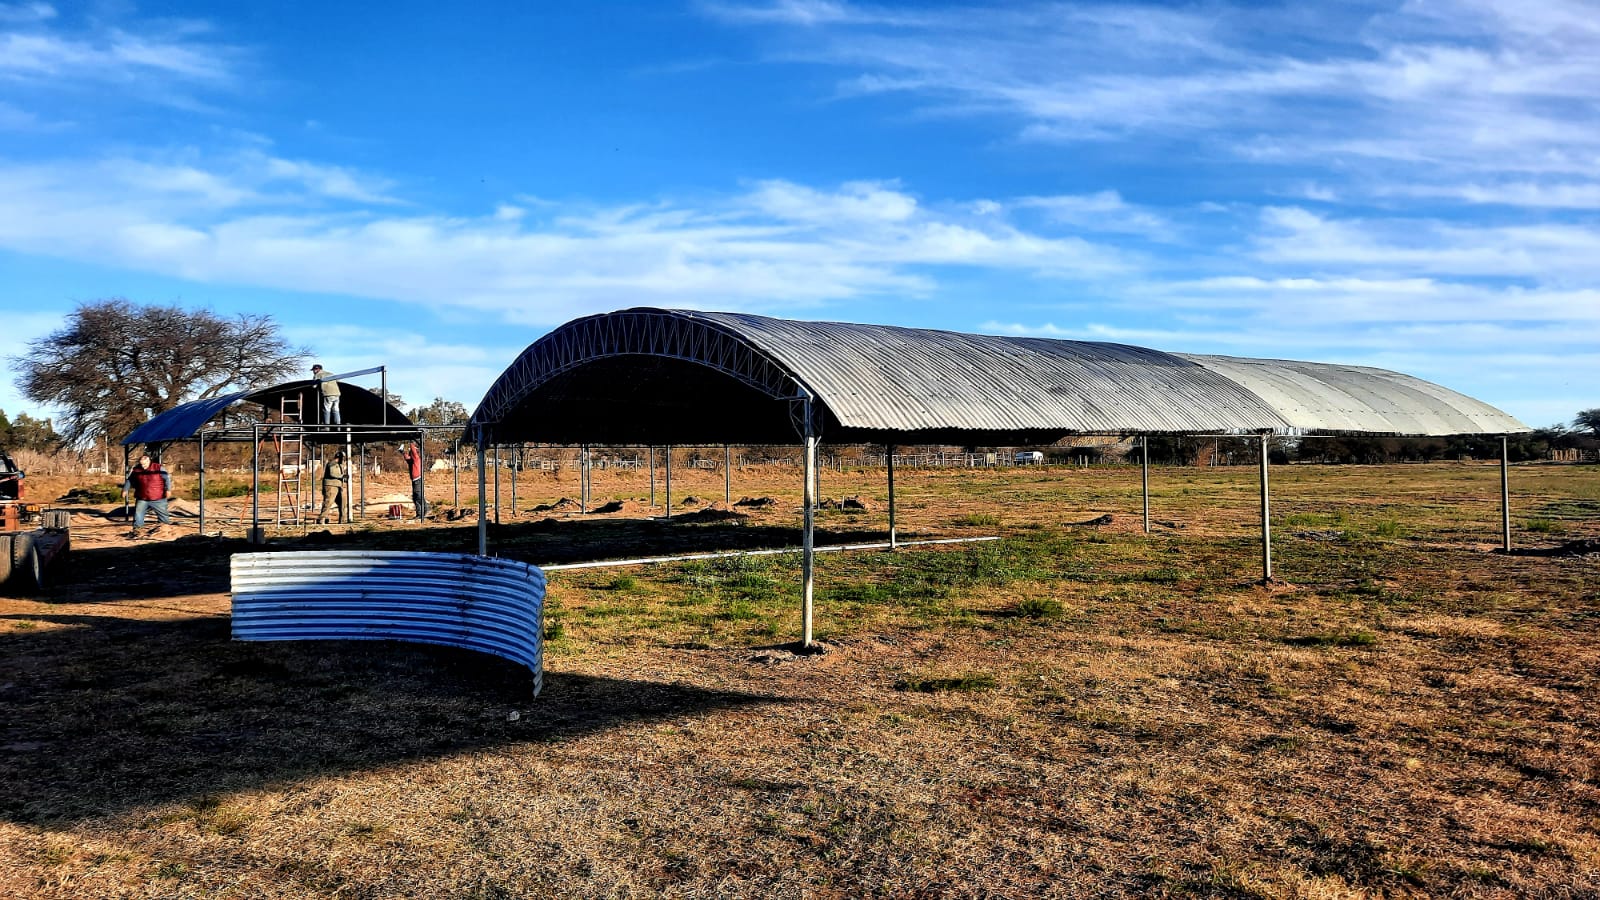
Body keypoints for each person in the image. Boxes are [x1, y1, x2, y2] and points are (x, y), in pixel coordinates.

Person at [123, 453, 172, 537]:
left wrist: (168, 490)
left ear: (149, 461)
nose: (143, 466)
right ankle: (137, 530)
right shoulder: (136, 470)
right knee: (138, 513)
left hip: (158, 497)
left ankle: (164, 529)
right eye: (141, 464)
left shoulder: (158, 468)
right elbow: (130, 480)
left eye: (144, 464)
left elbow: (167, 479)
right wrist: (125, 489)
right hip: (142, 497)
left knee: (163, 514)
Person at [318, 450, 348, 524]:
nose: (344, 460)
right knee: (328, 502)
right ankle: (322, 519)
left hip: (338, 486)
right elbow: (332, 473)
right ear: (339, 457)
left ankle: (342, 520)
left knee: (343, 503)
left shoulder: (340, 465)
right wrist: (342, 476)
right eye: (343, 458)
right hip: (331, 486)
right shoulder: (332, 464)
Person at [403, 442, 426, 521]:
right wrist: (402, 452)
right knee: (415, 497)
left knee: (418, 496)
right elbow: (407, 458)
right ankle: (419, 514)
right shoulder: (412, 461)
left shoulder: (416, 458)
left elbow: (413, 451)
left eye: (410, 453)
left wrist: (411, 443)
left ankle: (425, 510)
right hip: (414, 480)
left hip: (418, 480)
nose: (410, 454)